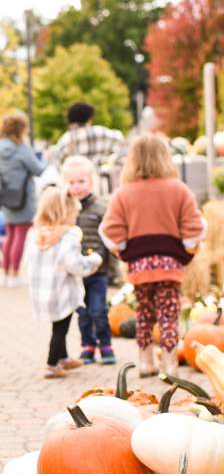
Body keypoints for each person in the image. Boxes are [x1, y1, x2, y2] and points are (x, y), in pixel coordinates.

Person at [100, 135, 205, 377]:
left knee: (144, 314)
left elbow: (111, 229)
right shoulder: (179, 190)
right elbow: (194, 226)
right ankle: (170, 364)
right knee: (169, 314)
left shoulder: (124, 193)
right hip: (170, 264)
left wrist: (123, 251)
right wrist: (188, 249)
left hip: (139, 265)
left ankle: (146, 361)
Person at [26, 187, 103, 379]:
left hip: (44, 292)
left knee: (59, 324)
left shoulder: (38, 235)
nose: (76, 217)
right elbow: (73, 264)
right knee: (60, 329)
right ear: (64, 213)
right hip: (62, 292)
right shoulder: (69, 236)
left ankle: (64, 358)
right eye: (74, 213)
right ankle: (52, 364)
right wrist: (94, 261)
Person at [61, 156, 116, 365]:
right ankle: (88, 345)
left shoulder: (102, 207)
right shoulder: (65, 209)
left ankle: (106, 343)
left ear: (92, 182)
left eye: (81, 181)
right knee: (82, 311)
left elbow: (109, 236)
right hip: (76, 271)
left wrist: (104, 258)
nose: (76, 187)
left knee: (98, 309)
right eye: (71, 182)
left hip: (98, 270)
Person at [0, 111, 45, 286]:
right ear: (21, 128)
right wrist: (45, 160)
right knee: (20, 235)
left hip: (6, 196)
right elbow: (39, 170)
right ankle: (14, 274)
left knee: (10, 234)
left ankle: (6, 274)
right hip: (24, 198)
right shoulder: (21, 148)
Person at [53, 102, 126, 168]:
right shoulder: (103, 132)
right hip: (103, 180)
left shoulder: (66, 139)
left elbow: (58, 165)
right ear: (89, 118)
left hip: (78, 179)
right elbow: (121, 143)